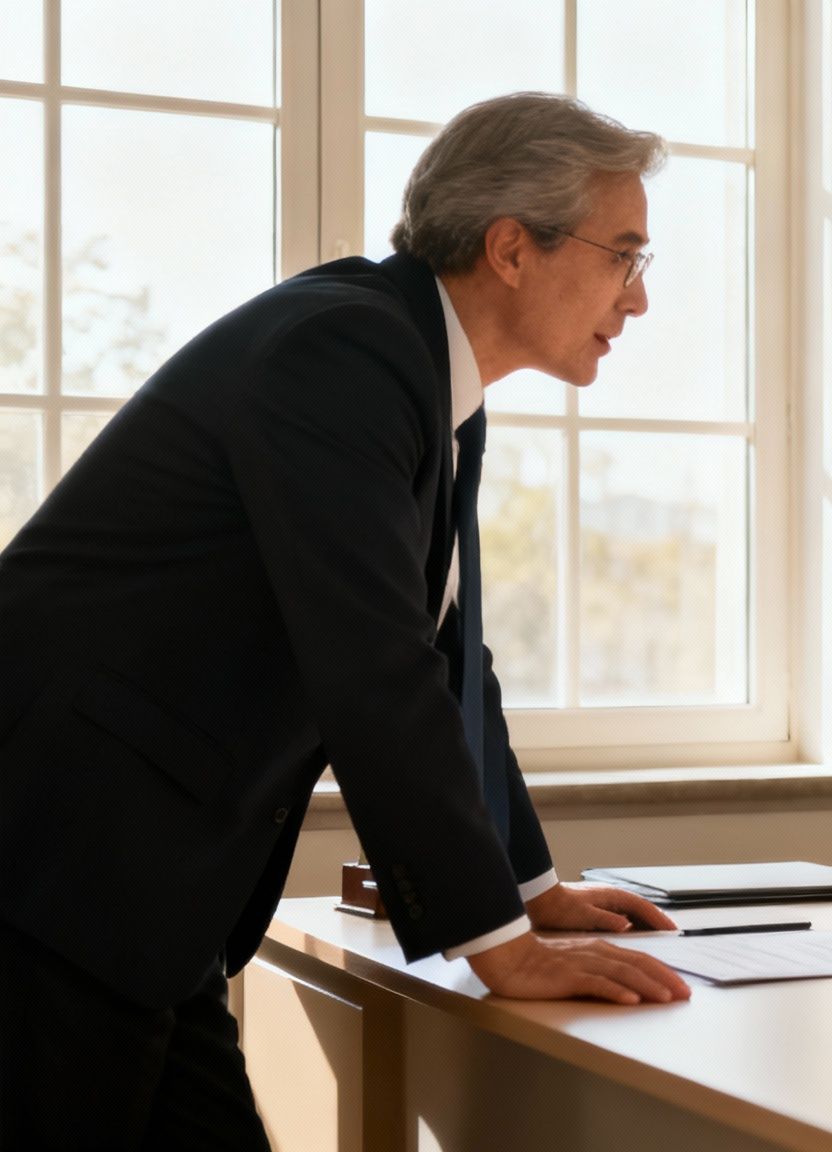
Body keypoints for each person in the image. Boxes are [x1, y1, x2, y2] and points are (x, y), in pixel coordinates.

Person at [0, 93, 693, 1150]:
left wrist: (528, 887)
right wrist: (496, 944)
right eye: (624, 257)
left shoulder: (421, 368)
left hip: (138, 890)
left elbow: (449, 654)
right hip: (57, 864)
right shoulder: (346, 354)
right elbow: (373, 664)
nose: (636, 302)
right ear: (512, 248)